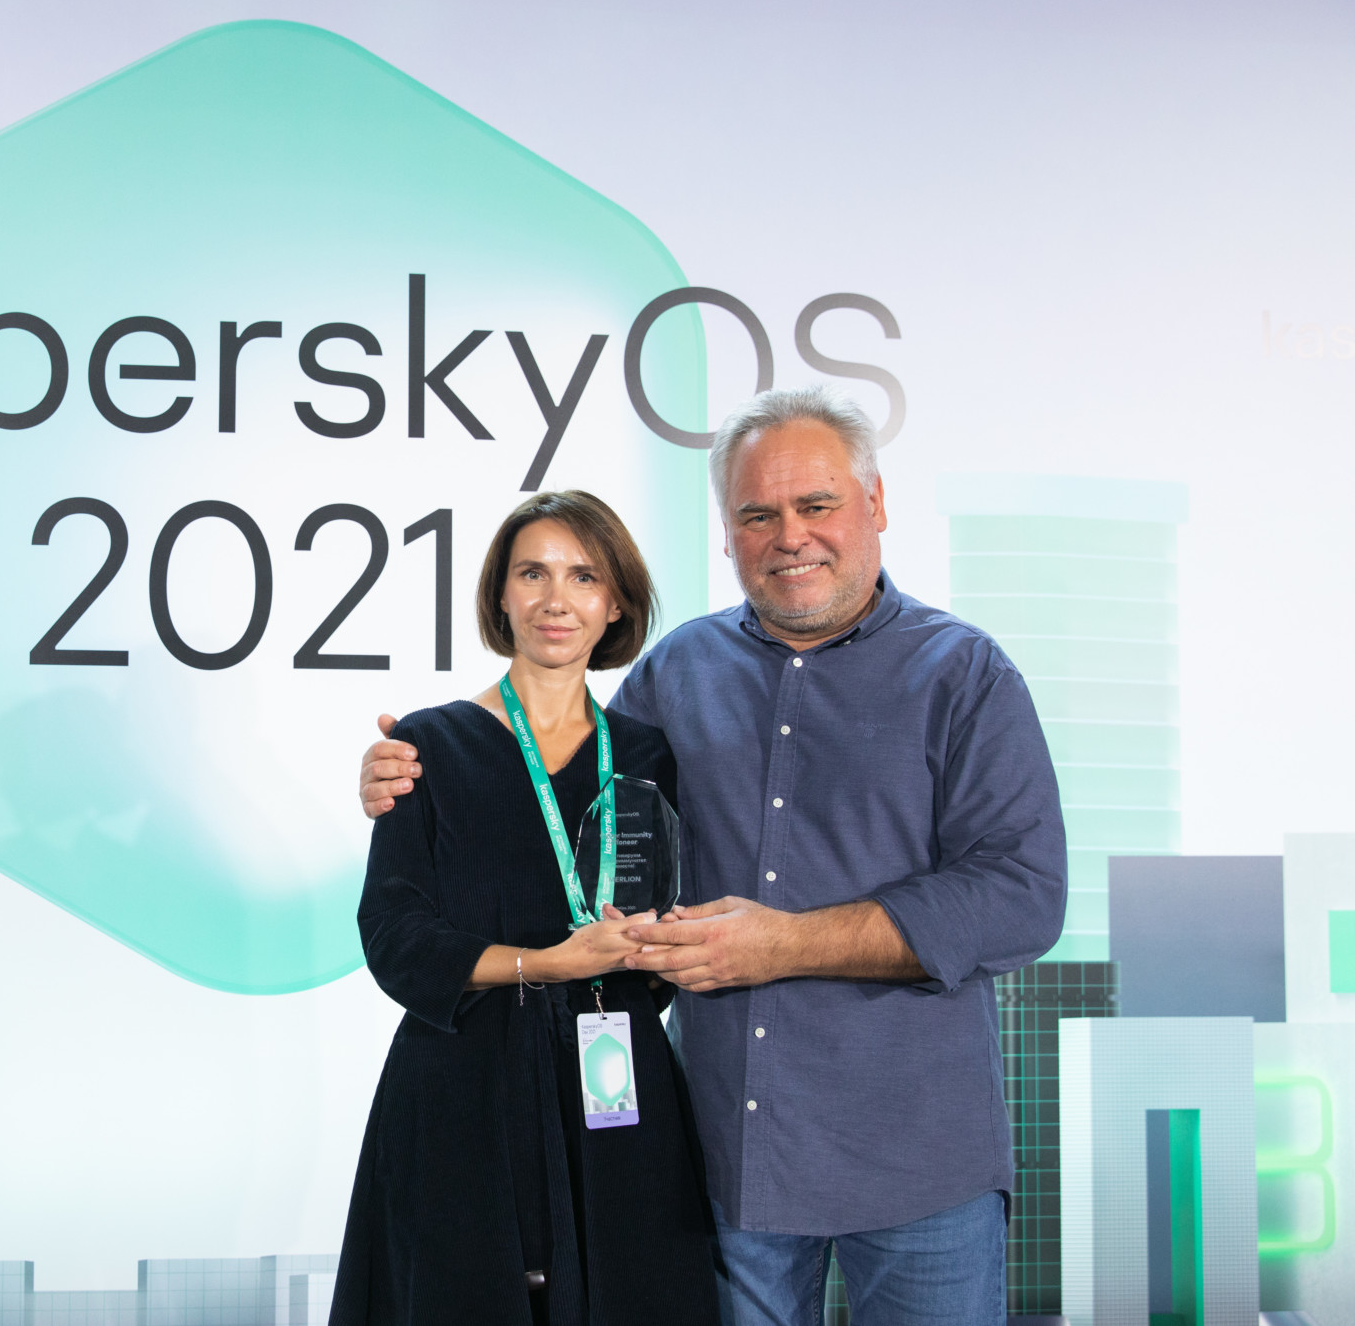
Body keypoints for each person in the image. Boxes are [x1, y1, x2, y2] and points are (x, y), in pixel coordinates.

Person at [358, 386, 1066, 1326]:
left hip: (917, 1168)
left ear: (875, 504)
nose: (790, 535)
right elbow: (557, 812)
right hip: (728, 1169)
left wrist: (787, 943)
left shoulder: (964, 673)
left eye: (817, 504)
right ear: (727, 535)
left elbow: (1022, 893)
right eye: (757, 513)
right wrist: (412, 774)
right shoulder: (675, 674)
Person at [330, 491, 720, 1326]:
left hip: (618, 1088)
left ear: (615, 604)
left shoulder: (648, 755)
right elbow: (394, 935)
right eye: (532, 573)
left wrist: (655, 949)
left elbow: (675, 917)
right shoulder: (426, 746)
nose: (556, 599)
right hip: (462, 1088)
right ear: (500, 595)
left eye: (584, 576)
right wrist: (545, 964)